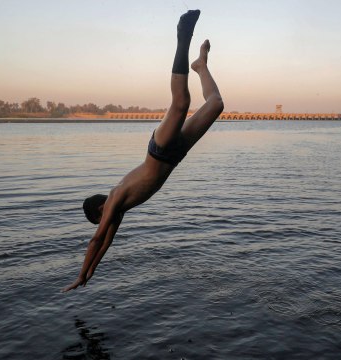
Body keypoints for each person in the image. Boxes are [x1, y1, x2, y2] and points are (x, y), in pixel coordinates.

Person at [63, 9, 224, 292]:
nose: (104, 223)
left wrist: (78, 275)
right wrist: (89, 275)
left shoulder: (114, 198)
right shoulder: (119, 210)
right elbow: (105, 245)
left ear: (100, 210)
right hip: (175, 156)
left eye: (99, 220)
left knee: (180, 103)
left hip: (160, 149)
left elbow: (96, 240)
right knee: (216, 104)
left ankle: (182, 38)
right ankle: (200, 66)